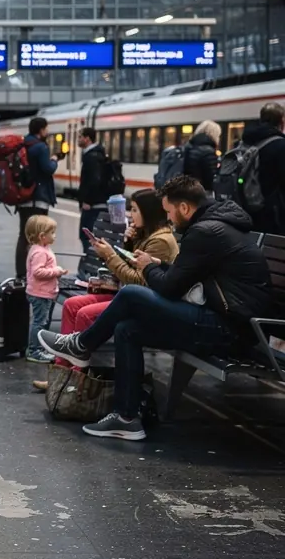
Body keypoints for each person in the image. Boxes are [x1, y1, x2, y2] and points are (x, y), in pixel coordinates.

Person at [39, 175, 275, 441]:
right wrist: (158, 265)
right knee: (127, 329)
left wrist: (148, 267)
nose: (169, 218)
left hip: (229, 328)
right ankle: (126, 418)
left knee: (131, 294)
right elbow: (184, 274)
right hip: (227, 322)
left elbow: (169, 288)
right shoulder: (216, 226)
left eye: (169, 212)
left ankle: (82, 345)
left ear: (184, 207)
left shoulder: (206, 232)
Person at [60, 188, 179, 335]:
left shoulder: (160, 241)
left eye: (134, 210)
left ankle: (79, 348)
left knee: (85, 314)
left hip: (143, 301)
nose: (130, 215)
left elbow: (138, 281)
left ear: (148, 212)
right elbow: (129, 267)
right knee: (71, 304)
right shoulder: (145, 234)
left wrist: (110, 256)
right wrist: (128, 242)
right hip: (125, 292)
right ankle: (64, 350)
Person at [15, 117, 61, 280]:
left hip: (23, 197)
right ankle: (36, 270)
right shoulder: (41, 147)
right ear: (41, 130)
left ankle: (21, 272)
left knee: (24, 235)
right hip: (39, 197)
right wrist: (54, 160)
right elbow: (47, 169)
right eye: (46, 128)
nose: (47, 131)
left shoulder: (23, 145)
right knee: (40, 236)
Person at [25, 215, 67, 363]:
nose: (55, 236)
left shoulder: (42, 248)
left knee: (42, 321)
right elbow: (38, 272)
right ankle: (34, 351)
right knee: (40, 322)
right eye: (52, 233)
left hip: (43, 292)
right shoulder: (40, 252)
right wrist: (56, 271)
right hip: (40, 293)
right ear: (42, 236)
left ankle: (39, 348)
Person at [240, 102, 285, 234]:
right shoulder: (281, 145)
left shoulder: (245, 141)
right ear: (281, 121)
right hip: (273, 214)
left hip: (246, 208)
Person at [77, 126, 108, 253]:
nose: (78, 140)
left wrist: (87, 200)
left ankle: (89, 263)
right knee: (92, 237)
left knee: (88, 237)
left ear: (87, 138)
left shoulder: (92, 157)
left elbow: (94, 180)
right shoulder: (97, 154)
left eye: (80, 137)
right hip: (97, 203)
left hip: (93, 205)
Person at [183, 120, 221, 192]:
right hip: (200, 192)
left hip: (187, 190)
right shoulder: (208, 151)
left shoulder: (188, 146)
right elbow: (211, 179)